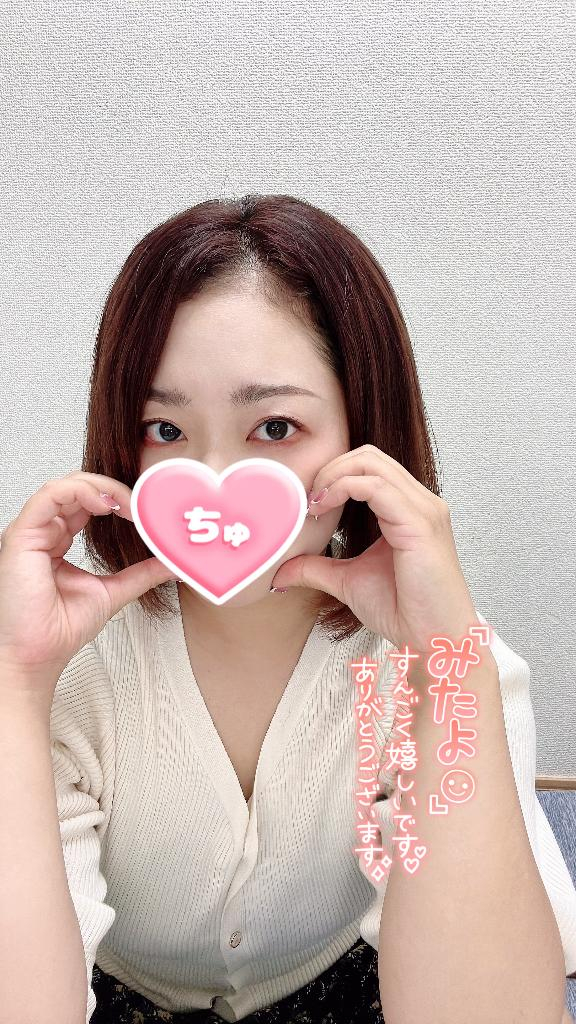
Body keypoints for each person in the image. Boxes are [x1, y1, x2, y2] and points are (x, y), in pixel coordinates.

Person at [1, 194, 575, 1024]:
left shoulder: (436, 658)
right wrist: (16, 684)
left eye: (274, 427)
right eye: (164, 429)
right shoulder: (67, 671)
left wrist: (446, 666)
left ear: (362, 430)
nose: (217, 476)